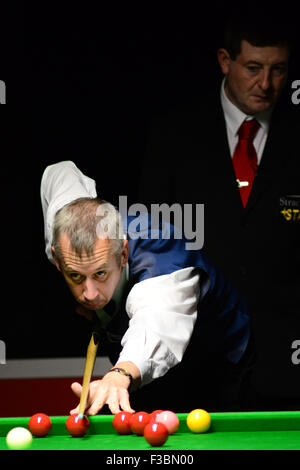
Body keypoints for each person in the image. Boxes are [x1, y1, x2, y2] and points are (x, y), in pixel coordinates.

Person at [138, 10, 300, 410]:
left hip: (284, 369)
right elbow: (149, 244)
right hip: (197, 362)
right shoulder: (173, 137)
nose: (266, 84)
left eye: (278, 70)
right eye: (253, 67)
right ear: (225, 61)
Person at [40, 160, 251, 415]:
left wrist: (119, 373)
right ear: (57, 255)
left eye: (100, 273)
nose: (90, 293)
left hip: (218, 360)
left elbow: (156, 324)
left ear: (123, 253)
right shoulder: (62, 229)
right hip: (136, 367)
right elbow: (59, 171)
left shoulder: (161, 263)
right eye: (75, 276)